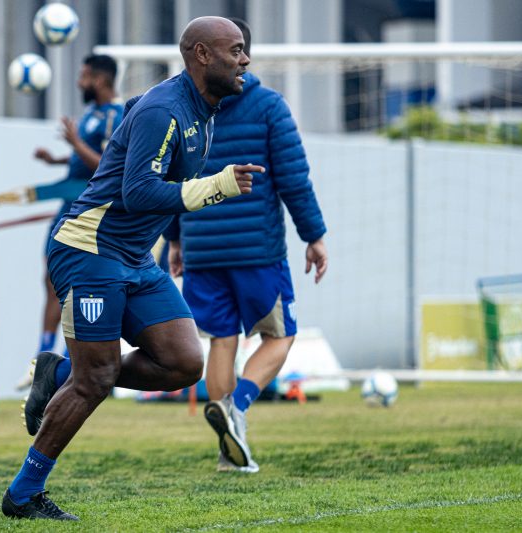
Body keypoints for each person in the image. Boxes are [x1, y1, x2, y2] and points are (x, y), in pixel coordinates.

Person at [2, 16, 261, 520]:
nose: (244, 59)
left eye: (244, 50)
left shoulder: (203, 111)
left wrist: (178, 241)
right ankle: (22, 494)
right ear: (201, 55)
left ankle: (58, 375)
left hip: (135, 258)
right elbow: (138, 191)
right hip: (89, 251)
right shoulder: (164, 109)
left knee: (185, 364)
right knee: (94, 381)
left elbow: (170, 183)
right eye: (235, 50)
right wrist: (219, 185)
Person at [167, 18, 328, 473]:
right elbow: (295, 181)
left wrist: (175, 241)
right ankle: (236, 408)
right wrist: (314, 236)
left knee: (222, 339)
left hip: (200, 247)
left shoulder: (186, 107)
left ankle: (228, 451)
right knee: (281, 335)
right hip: (256, 251)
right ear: (241, 55)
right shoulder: (269, 106)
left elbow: (173, 181)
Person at [16, 54, 124, 390]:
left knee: (76, 288)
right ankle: (41, 359)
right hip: (66, 207)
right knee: (49, 279)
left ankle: (68, 363)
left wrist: (75, 143)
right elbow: (82, 159)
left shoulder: (116, 116)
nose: (79, 83)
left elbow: (108, 166)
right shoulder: (90, 114)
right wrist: (57, 159)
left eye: (84, 76)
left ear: (101, 79)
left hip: (88, 213)